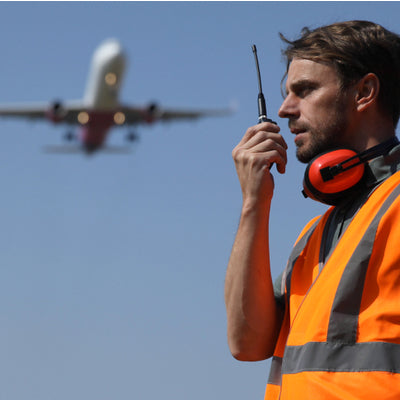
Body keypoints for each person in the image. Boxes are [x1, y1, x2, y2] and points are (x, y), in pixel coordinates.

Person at [224, 20, 400, 400]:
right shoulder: (312, 238)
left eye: (304, 90)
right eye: (287, 93)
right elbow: (246, 343)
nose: (286, 110)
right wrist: (255, 202)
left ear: (365, 91)